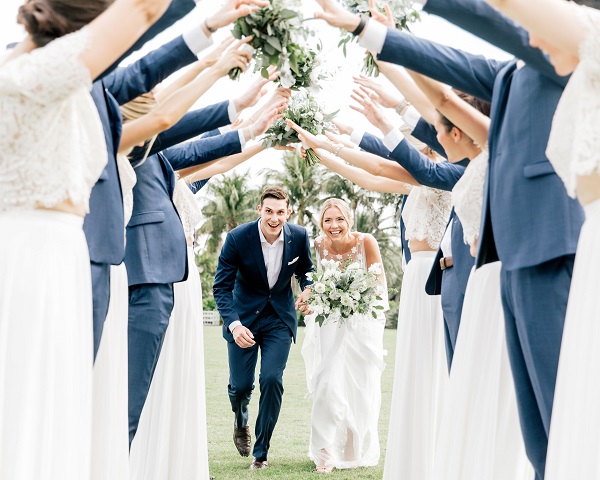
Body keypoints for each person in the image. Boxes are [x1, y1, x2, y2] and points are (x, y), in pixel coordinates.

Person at [0, 0, 176, 477]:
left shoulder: (57, 81)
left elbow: (141, 70)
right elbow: (140, 13)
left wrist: (213, 37)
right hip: (35, 253)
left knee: (56, 395)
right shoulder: (36, 73)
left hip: (58, 253)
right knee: (32, 393)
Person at [479, 0, 600, 477]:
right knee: (549, 428)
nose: (529, 37)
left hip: (561, 241)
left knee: (569, 411)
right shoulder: (544, 69)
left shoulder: (584, 44)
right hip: (563, 242)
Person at [213, 186, 314, 470]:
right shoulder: (237, 238)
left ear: (288, 212)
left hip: (279, 319)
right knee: (242, 386)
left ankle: (261, 452)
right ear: (260, 209)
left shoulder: (299, 236)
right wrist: (233, 325)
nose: (274, 218)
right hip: (242, 319)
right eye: (269, 211)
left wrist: (309, 287)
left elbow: (306, 270)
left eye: (280, 212)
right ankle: (240, 418)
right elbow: (221, 286)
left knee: (272, 379)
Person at [299, 198, 388, 473]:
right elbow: (315, 284)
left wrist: (357, 298)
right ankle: (324, 451)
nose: (333, 225)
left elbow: (378, 283)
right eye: (327, 220)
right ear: (321, 223)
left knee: (358, 387)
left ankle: (352, 449)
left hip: (362, 324)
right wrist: (312, 297)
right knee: (327, 383)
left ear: (349, 219)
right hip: (331, 324)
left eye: (339, 219)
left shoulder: (366, 242)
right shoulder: (317, 246)